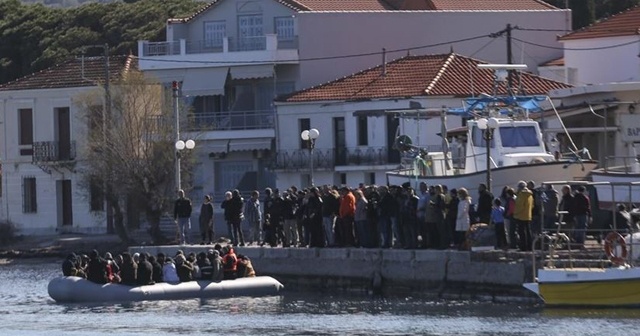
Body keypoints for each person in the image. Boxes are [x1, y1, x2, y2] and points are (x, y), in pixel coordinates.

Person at [514, 181, 534, 251]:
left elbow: (519, 206)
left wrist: (515, 213)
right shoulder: (530, 195)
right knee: (528, 232)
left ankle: (523, 247)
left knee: (522, 232)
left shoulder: (522, 194)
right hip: (528, 215)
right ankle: (530, 246)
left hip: (521, 216)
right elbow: (532, 205)